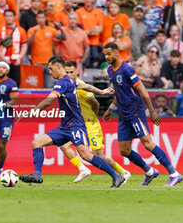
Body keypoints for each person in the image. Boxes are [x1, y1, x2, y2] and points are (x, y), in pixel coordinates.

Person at [18, 56, 125, 188]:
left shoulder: (62, 83)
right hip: (64, 126)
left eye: (51, 69)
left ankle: (117, 176)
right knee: (37, 143)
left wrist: (30, 112)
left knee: (86, 155)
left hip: (75, 125)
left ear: (58, 66)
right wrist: (101, 91)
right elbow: (86, 86)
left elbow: (48, 101)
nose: (50, 72)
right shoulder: (70, 80)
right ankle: (37, 175)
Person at [102, 42, 182, 186]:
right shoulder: (110, 70)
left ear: (116, 52)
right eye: (105, 54)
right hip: (123, 114)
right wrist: (110, 109)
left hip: (135, 112)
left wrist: (151, 111)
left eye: (108, 54)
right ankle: (150, 172)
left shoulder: (127, 69)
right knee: (124, 150)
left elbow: (143, 90)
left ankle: (174, 174)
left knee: (148, 143)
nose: (106, 57)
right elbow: (119, 92)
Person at [63, 61, 131, 183]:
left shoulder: (81, 86)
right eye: (66, 72)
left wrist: (93, 116)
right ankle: (82, 169)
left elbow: (95, 103)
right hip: (79, 124)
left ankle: (123, 172)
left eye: (71, 72)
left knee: (98, 154)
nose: (69, 75)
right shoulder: (67, 85)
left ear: (77, 71)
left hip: (90, 124)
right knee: (64, 145)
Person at [27, 10, 65, 88]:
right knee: (36, 86)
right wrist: (34, 32)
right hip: (36, 63)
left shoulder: (50, 29)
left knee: (49, 86)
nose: (41, 19)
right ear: (36, 19)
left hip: (49, 63)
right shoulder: (32, 30)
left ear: (45, 19)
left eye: (42, 18)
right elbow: (29, 43)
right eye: (39, 18)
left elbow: (63, 37)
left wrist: (61, 29)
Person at [0, 9, 27, 87]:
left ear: (14, 17)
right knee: (0, 83)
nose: (8, 18)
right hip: (2, 60)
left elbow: (24, 45)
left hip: (15, 60)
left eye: (10, 16)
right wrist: (2, 58)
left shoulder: (20, 30)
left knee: (15, 83)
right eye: (7, 16)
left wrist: (20, 58)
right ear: (4, 17)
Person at [76, 0, 103, 69]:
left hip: (94, 42)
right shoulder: (79, 11)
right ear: (83, 0)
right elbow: (78, 29)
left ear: (93, 0)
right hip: (83, 42)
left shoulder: (98, 11)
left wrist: (92, 32)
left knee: (94, 64)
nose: (88, 0)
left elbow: (100, 28)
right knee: (84, 64)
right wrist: (88, 32)